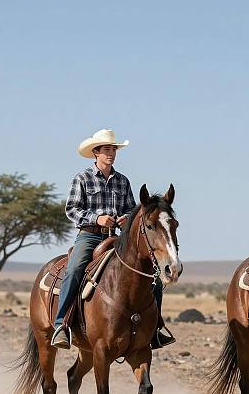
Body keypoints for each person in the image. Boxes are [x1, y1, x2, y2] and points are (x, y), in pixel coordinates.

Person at [51, 128, 175, 350]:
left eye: (113, 149)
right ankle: (62, 325)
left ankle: (156, 327)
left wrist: (126, 218)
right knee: (75, 268)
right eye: (106, 149)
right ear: (96, 152)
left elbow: (132, 210)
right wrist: (97, 219)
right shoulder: (82, 178)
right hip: (89, 236)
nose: (111, 153)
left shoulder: (123, 181)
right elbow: (72, 209)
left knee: (151, 275)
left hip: (117, 238)